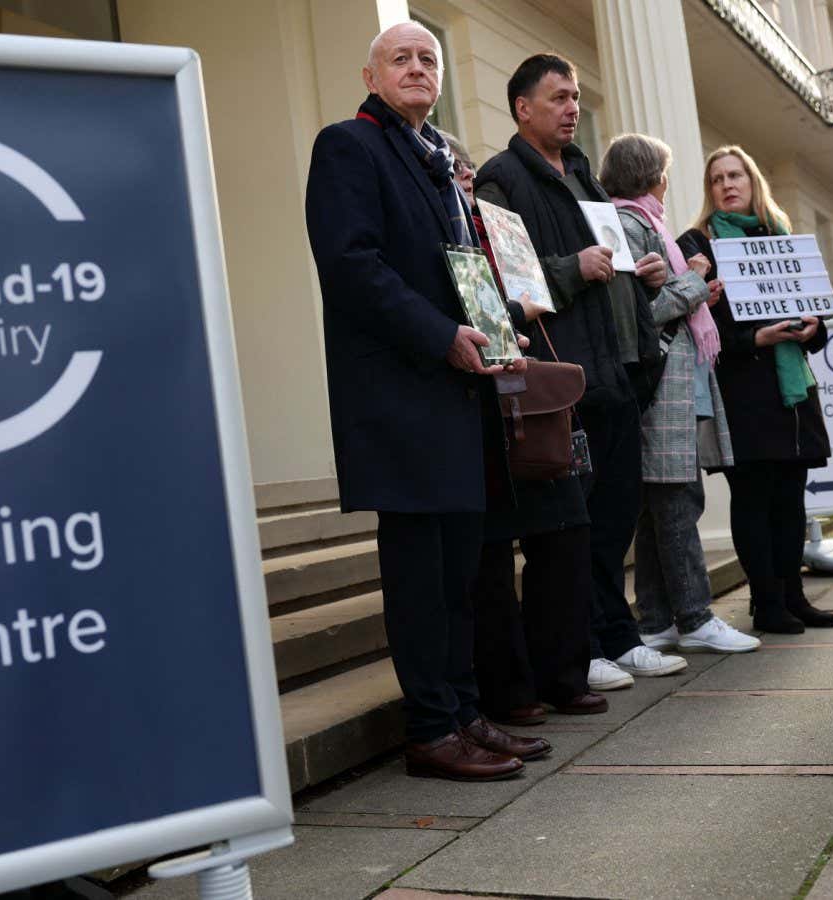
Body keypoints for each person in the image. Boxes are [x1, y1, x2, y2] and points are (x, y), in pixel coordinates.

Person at [305, 21, 548, 781]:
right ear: (371, 76)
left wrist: (495, 323)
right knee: (420, 575)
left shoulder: (439, 158)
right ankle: (431, 729)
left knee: (464, 571)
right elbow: (351, 264)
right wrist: (441, 333)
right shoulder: (349, 145)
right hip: (401, 394)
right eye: (401, 58)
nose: (418, 68)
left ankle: (467, 712)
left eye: (428, 60)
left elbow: (458, 265)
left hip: (459, 389)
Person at [474, 54, 688, 690]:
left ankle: (617, 637)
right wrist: (573, 269)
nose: (572, 108)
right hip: (563, 380)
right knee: (568, 527)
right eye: (559, 98)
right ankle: (579, 645)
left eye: (574, 98)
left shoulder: (586, 176)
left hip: (618, 373)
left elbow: (609, 265)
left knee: (614, 517)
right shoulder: (501, 179)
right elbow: (502, 277)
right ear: (523, 108)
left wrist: (642, 276)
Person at [441, 129, 607, 723]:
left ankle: (563, 674)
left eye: (463, 173)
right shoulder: (438, 237)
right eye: (452, 175)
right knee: (489, 559)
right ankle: (511, 692)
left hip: (531, 398)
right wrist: (517, 311)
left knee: (566, 531)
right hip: (472, 405)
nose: (461, 183)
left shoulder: (499, 230)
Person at [599, 134, 760, 653]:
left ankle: (656, 619)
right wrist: (693, 282)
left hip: (674, 386)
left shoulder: (644, 222)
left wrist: (695, 295)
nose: (667, 184)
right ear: (653, 177)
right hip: (662, 390)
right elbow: (639, 318)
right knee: (677, 503)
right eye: (664, 173)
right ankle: (695, 618)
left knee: (660, 506)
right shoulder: (629, 223)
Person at [678, 146, 833, 633]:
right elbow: (698, 331)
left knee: (791, 497)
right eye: (717, 179)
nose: (727, 185)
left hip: (792, 393)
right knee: (753, 497)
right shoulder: (696, 245)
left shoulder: (782, 237)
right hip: (740, 391)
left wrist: (813, 329)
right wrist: (755, 339)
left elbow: (819, 320)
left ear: (753, 182)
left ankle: (794, 595)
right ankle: (767, 604)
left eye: (735, 175)